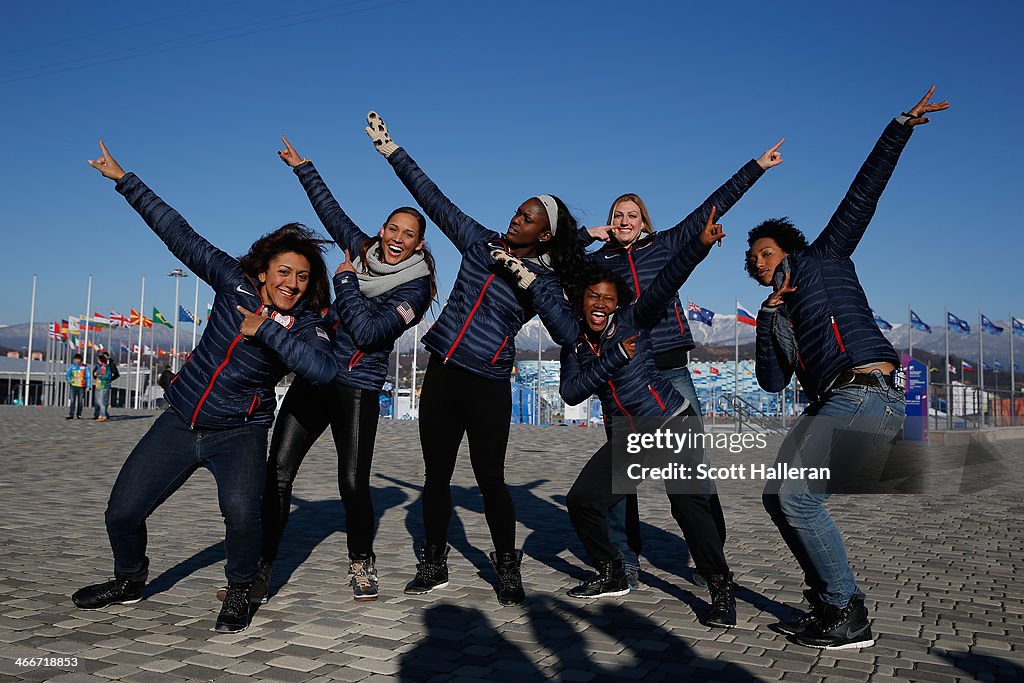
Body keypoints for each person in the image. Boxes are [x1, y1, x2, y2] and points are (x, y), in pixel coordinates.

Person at [72, 141, 336, 634]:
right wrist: (124, 180)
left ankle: (239, 590)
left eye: (302, 277)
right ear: (262, 271)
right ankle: (129, 579)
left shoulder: (304, 324)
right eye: (284, 272)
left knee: (241, 515)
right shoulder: (231, 280)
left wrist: (267, 330)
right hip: (180, 419)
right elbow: (179, 234)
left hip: (238, 431)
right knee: (121, 513)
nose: (293, 283)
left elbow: (321, 371)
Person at [748, 87, 949, 650]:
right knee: (777, 496)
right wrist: (768, 323)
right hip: (837, 398)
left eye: (765, 252)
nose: (758, 263)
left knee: (798, 498)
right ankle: (828, 603)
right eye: (753, 261)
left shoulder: (825, 259)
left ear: (787, 248)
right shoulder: (776, 310)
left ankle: (848, 611)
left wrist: (899, 128)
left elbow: (863, 195)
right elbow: (771, 381)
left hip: (867, 389)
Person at [365, 112, 584, 605]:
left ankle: (507, 566)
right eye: (518, 211)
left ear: (544, 236)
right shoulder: (479, 241)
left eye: (529, 218)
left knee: (491, 480)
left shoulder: (544, 280)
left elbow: (568, 332)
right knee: (435, 476)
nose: (516, 218)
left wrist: (529, 281)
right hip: (443, 372)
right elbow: (433, 197)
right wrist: (392, 151)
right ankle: (435, 561)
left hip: (488, 383)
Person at [509, 208, 738, 626]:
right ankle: (612, 570)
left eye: (608, 298)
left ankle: (719, 586)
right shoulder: (576, 344)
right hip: (629, 436)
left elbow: (669, 280)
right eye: (592, 297)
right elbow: (572, 393)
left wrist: (699, 248)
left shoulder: (634, 320)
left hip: (670, 422)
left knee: (687, 503)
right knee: (583, 501)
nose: (600, 304)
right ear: (582, 301)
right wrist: (612, 358)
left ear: (618, 304)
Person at [581, 142, 784, 589]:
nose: (625, 220)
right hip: (624, 375)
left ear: (645, 221)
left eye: (632, 214)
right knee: (620, 474)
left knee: (692, 468)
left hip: (670, 370)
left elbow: (709, 208)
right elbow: (560, 261)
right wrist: (588, 234)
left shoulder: (667, 244)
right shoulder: (598, 261)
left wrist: (756, 167)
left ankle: (710, 556)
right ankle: (623, 561)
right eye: (618, 214)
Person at [251, 136, 436, 602]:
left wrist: (346, 280)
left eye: (408, 234)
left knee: (352, 482)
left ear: (419, 245)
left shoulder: (415, 289)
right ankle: (258, 568)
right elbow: (331, 213)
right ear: (382, 230)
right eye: (392, 229)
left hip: (357, 387)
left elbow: (370, 332)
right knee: (277, 473)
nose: (397, 239)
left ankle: (362, 562)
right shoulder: (362, 249)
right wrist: (304, 168)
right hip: (316, 377)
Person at [66, 353, 91, 420]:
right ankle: (71, 414)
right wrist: (69, 381)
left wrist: (88, 386)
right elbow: (68, 375)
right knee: (72, 400)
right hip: (73, 386)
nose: (77, 360)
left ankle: (79, 414)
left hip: (81, 386)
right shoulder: (72, 367)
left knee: (80, 401)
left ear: (81, 359)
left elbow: (88, 377)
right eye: (76, 359)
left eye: (79, 359)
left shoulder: (85, 367)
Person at [92, 353, 113, 421]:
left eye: (99, 360)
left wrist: (98, 376)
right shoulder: (100, 367)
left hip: (104, 386)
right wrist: (96, 375)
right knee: (97, 401)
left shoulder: (106, 367)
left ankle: (103, 415)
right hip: (98, 386)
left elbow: (107, 377)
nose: (98, 361)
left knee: (102, 402)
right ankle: (99, 415)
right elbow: (95, 373)